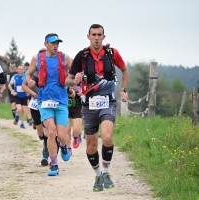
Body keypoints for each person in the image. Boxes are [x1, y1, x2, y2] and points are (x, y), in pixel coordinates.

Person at [66, 24, 129, 192]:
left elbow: (124, 70)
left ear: (103, 37)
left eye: (99, 35)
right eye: (93, 34)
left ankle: (106, 172)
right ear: (88, 37)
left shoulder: (112, 53)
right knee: (91, 146)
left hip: (108, 102)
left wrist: (123, 90)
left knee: (107, 137)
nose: (96, 37)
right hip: (89, 105)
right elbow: (68, 81)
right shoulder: (82, 56)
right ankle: (98, 174)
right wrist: (76, 81)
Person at [27, 33, 73, 176]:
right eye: (53, 43)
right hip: (44, 100)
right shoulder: (37, 58)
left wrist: (74, 80)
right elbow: (28, 75)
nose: (55, 45)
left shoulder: (64, 57)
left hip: (61, 100)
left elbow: (75, 70)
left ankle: (64, 146)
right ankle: (54, 165)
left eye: (57, 43)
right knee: (51, 132)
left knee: (61, 136)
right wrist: (30, 81)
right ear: (46, 44)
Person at [22, 48, 49, 166]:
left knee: (48, 130)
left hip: (48, 104)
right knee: (41, 132)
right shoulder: (34, 72)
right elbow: (25, 86)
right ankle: (43, 139)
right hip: (35, 104)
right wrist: (35, 94)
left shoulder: (53, 70)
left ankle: (46, 152)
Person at [66, 84, 83, 156]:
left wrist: (82, 91)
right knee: (67, 130)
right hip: (66, 107)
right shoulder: (64, 75)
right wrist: (69, 89)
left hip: (78, 106)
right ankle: (68, 148)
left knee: (76, 130)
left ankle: (76, 136)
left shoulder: (82, 76)